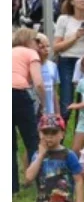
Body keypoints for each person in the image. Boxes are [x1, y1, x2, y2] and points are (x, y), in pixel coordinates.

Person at [14, 28, 46, 193]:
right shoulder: (30, 54)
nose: (38, 44)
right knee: (32, 140)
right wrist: (43, 102)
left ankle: (13, 187)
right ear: (28, 41)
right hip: (19, 94)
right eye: (36, 40)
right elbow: (39, 82)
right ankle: (41, 182)